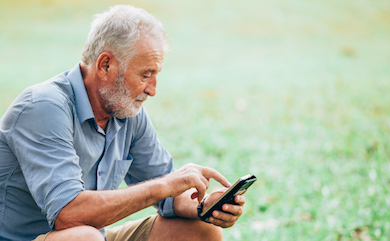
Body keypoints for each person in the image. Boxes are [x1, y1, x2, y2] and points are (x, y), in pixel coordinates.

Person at [0, 5, 246, 241]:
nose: (152, 90)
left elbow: (170, 194)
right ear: (105, 65)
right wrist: (165, 185)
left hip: (93, 236)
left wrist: (205, 205)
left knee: (202, 231)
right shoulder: (43, 107)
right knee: (84, 237)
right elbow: (69, 215)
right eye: (145, 75)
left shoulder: (126, 111)